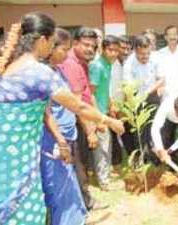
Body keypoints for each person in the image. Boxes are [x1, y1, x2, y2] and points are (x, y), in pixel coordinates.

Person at [0, 12, 124, 225]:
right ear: (42, 40)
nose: (52, 48)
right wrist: (109, 121)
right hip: (18, 157)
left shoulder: (6, 68)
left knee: (6, 207)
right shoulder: (38, 72)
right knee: (24, 209)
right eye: (53, 42)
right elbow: (77, 105)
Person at [39, 28, 87, 225]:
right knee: (59, 188)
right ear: (51, 47)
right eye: (64, 49)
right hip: (55, 140)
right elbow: (46, 112)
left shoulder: (58, 70)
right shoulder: (42, 75)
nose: (67, 54)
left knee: (69, 183)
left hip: (67, 135)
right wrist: (60, 140)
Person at [58, 26, 99, 210]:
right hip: (72, 121)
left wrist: (98, 118)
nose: (90, 49)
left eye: (93, 46)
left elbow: (88, 94)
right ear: (75, 44)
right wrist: (90, 130)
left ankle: (83, 199)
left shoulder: (82, 63)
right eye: (86, 44)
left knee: (80, 162)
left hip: (81, 118)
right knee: (77, 164)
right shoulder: (72, 65)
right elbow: (76, 104)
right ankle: (84, 202)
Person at [121, 35, 165, 160]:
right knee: (139, 131)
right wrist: (138, 98)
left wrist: (148, 92)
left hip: (152, 96)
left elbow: (161, 79)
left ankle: (155, 158)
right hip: (136, 99)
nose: (145, 56)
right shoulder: (129, 63)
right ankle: (142, 158)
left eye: (147, 53)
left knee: (154, 127)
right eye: (141, 54)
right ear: (135, 50)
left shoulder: (156, 58)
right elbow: (128, 86)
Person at [89, 35, 120, 191]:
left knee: (107, 144)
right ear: (103, 49)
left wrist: (110, 105)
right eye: (110, 50)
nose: (114, 54)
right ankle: (103, 180)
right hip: (97, 113)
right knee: (102, 148)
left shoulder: (108, 65)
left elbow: (104, 89)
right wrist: (98, 118)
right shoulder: (97, 66)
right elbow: (91, 93)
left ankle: (104, 173)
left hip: (105, 111)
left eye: (116, 51)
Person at [110, 35, 131, 169]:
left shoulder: (126, 64)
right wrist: (111, 105)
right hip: (112, 105)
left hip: (124, 105)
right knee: (113, 134)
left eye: (128, 49)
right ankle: (116, 162)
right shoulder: (111, 65)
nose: (125, 51)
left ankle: (131, 157)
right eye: (122, 48)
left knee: (127, 133)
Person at [156, 25, 178, 99]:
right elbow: (159, 73)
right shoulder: (160, 53)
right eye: (170, 34)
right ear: (165, 37)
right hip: (166, 92)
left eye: (175, 34)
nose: (173, 37)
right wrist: (160, 88)